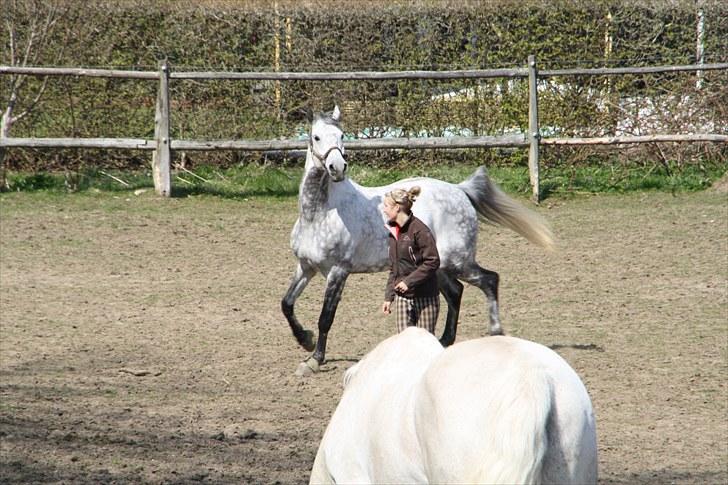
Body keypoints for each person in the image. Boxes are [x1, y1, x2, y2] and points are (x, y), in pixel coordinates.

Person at [381, 186, 440, 334]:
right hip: (403, 298)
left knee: (424, 345)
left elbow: (432, 261)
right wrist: (389, 297)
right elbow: (394, 268)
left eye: (386, 206)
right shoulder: (393, 232)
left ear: (397, 208)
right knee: (404, 345)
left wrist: (408, 282)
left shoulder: (420, 230)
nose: (384, 209)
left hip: (426, 297)